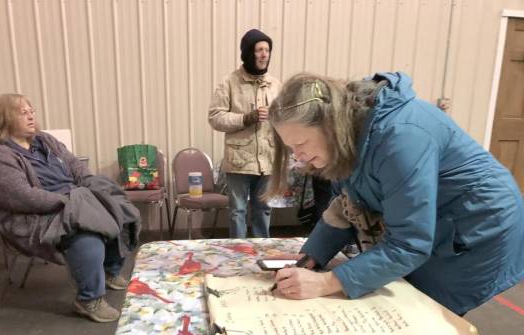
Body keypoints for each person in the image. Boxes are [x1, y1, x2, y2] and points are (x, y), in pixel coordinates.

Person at [266, 72, 524, 316]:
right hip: (436, 224)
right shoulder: (349, 130)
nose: (297, 157)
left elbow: (409, 244)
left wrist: (325, 283)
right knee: (401, 300)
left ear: (329, 126)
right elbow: (347, 203)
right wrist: (311, 255)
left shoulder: (400, 137)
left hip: (479, 230)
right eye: (291, 148)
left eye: (300, 145)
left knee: (425, 315)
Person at [0, 94, 141, 323]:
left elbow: (75, 166)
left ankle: (110, 269)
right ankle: (88, 299)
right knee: (87, 233)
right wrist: (69, 203)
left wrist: (92, 186)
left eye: (31, 110)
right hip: (36, 213)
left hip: (74, 198)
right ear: (3, 118)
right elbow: (23, 197)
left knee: (122, 209)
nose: (31, 115)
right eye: (22, 112)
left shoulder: (45, 140)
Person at [208, 29, 281, 238]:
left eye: (267, 50)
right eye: (259, 50)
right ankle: (237, 254)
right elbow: (215, 117)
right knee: (237, 212)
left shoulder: (276, 85)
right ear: (248, 53)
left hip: (267, 160)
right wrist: (244, 118)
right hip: (239, 161)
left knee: (263, 210)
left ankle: (261, 253)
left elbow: (286, 119)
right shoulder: (229, 83)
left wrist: (278, 116)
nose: (264, 54)